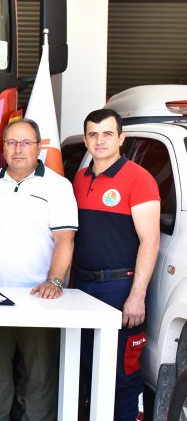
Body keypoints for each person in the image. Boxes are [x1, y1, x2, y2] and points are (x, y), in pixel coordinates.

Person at [0, 119, 78, 421]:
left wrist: (55, 281)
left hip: (39, 297)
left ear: (38, 146)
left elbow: (65, 239)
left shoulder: (58, 186)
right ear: (2, 147)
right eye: (11, 142)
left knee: (40, 374)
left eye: (25, 143)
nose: (18, 149)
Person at [72, 108, 160, 421]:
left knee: (123, 373)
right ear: (85, 139)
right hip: (81, 287)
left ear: (121, 138)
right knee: (89, 368)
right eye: (93, 134)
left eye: (107, 133)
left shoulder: (140, 179)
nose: (100, 140)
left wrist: (136, 296)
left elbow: (150, 242)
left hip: (119, 288)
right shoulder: (80, 179)